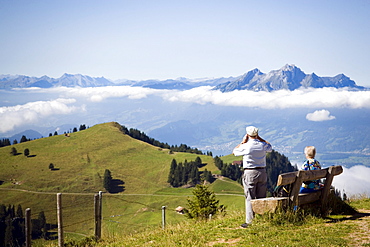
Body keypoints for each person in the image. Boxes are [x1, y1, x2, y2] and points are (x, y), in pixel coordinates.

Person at [233, 126, 272, 228]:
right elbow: (270, 147)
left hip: (250, 172)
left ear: (247, 134)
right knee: (261, 196)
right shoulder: (262, 145)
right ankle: (262, 218)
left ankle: (249, 221)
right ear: (257, 134)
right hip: (262, 171)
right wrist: (260, 139)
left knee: (249, 196)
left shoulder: (246, 146)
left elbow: (235, 151)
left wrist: (242, 142)